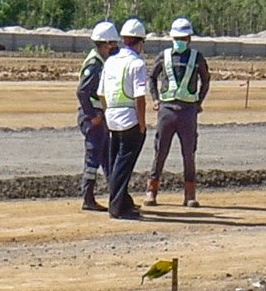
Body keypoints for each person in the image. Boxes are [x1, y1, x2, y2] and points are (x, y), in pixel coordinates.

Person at [147, 17, 211, 207]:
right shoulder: (163, 56)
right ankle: (151, 191)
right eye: (177, 37)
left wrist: (199, 102)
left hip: (188, 111)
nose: (181, 40)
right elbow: (152, 77)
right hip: (166, 109)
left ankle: (189, 195)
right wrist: (155, 99)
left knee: (188, 153)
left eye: (184, 37)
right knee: (160, 152)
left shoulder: (197, 57)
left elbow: (206, 80)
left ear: (189, 38)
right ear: (172, 37)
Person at [100, 18, 156, 214]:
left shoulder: (110, 62)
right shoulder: (137, 63)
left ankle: (123, 202)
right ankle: (117, 207)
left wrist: (109, 112)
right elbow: (140, 98)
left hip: (112, 118)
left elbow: (101, 94)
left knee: (116, 162)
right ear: (139, 42)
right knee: (123, 166)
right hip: (130, 119)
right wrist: (142, 124)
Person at [75, 18, 121, 213]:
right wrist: (92, 115)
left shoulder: (100, 61)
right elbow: (82, 92)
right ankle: (88, 198)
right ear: (107, 43)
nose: (116, 47)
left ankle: (117, 197)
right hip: (93, 118)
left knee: (107, 158)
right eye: (113, 43)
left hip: (99, 117)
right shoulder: (94, 65)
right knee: (93, 158)